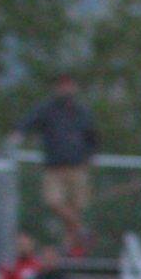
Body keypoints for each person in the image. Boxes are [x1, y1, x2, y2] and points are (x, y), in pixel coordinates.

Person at [11, 73, 100, 255]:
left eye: (69, 85)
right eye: (62, 85)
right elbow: (28, 122)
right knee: (54, 202)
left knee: (76, 207)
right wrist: (18, 133)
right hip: (54, 168)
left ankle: (71, 247)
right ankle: (80, 231)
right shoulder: (47, 110)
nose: (66, 89)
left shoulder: (82, 112)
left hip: (77, 167)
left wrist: (89, 158)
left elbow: (92, 137)